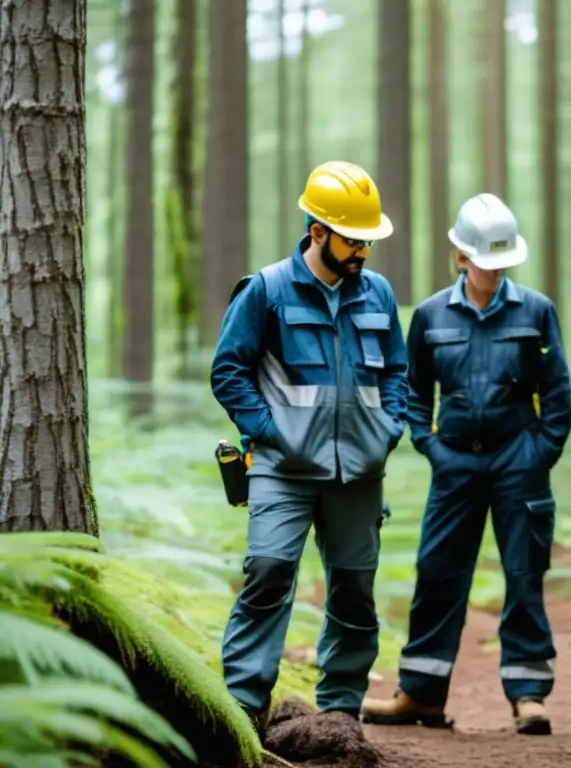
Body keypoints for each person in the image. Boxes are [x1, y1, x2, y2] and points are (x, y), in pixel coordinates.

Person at [359, 192, 571, 736]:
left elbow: (557, 391)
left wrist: (540, 452)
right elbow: (412, 390)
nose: (495, 272)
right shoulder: (430, 315)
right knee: (437, 573)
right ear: (461, 257)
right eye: (485, 261)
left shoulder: (536, 311)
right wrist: (430, 446)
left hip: (518, 461)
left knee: (525, 573)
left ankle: (528, 694)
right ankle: (421, 693)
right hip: (454, 464)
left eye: (503, 262)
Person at [210, 161, 409, 737]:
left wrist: (388, 426)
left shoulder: (378, 293)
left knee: (354, 588)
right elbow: (229, 372)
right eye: (354, 239)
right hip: (282, 469)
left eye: (369, 240)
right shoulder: (266, 290)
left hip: (359, 474)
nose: (363, 251)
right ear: (318, 231)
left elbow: (396, 370)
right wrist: (268, 432)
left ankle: (341, 711)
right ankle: (244, 709)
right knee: (268, 573)